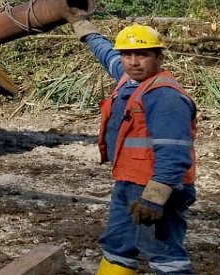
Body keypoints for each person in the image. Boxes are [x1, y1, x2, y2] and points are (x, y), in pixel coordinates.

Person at [70, 14, 197, 275]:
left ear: (159, 57)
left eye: (142, 55)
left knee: (164, 254)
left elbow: (174, 154)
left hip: (157, 187)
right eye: (127, 55)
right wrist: (86, 30)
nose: (133, 62)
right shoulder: (129, 79)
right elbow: (107, 54)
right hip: (129, 182)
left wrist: (154, 199)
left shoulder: (164, 96)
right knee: (118, 246)